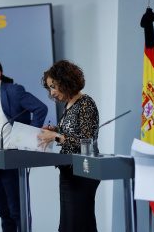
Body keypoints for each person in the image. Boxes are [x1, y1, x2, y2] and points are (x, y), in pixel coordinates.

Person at [0, 57, 48, 232]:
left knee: (17, 213)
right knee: (3, 213)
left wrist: (28, 138)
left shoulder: (13, 91)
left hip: (11, 160)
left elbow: (40, 108)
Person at [37, 60, 100, 232]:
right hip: (69, 170)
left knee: (79, 224)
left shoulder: (85, 103)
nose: (52, 92)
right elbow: (72, 132)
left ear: (66, 80)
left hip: (83, 171)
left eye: (54, 86)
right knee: (68, 225)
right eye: (50, 88)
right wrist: (55, 130)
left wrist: (56, 136)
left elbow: (85, 141)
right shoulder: (69, 104)